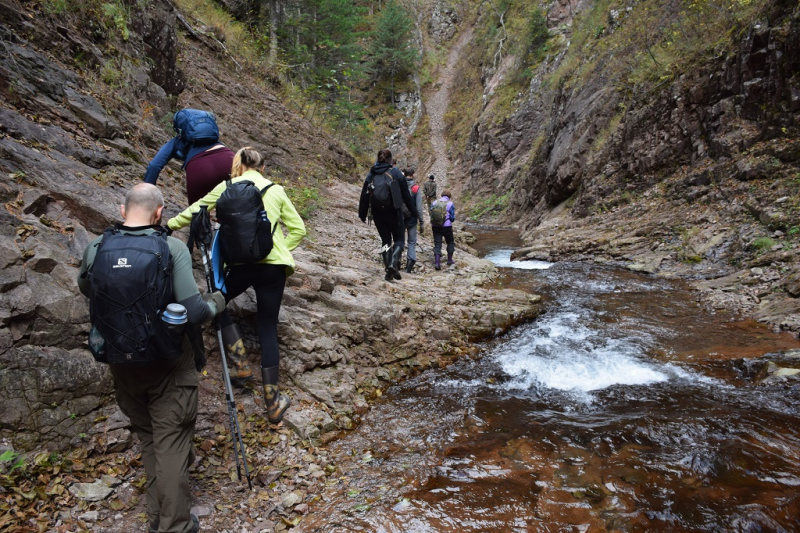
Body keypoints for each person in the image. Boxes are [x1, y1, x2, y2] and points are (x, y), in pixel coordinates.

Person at [78, 183, 225, 533]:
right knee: (171, 442)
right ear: (160, 213)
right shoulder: (171, 248)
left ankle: (157, 516)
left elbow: (87, 289)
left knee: (148, 437)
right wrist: (218, 301)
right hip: (168, 363)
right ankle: (174, 526)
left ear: (122, 209)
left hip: (120, 361)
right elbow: (193, 311)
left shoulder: (96, 248)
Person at [168, 147, 307, 424]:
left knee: (216, 303)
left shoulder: (226, 186)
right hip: (273, 268)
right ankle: (273, 403)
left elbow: (196, 210)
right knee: (267, 327)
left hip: (239, 267)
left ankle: (241, 365)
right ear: (262, 167)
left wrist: (169, 224)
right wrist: (280, 251)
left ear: (238, 165)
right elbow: (299, 229)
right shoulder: (275, 190)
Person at [143, 115, 235, 204]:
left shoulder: (176, 142)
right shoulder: (216, 142)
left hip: (200, 165)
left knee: (197, 213)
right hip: (228, 159)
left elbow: (154, 166)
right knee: (237, 208)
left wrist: (147, 196)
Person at [358, 149, 418, 281]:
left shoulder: (372, 173)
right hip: (394, 213)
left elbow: (364, 195)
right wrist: (415, 213)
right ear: (390, 160)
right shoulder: (395, 172)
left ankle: (388, 271)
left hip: (378, 213)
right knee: (399, 241)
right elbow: (406, 196)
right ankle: (393, 263)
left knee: (385, 242)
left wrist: (362, 214)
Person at [401, 167, 424, 273]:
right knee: (411, 242)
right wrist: (421, 222)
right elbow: (419, 208)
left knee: (399, 240)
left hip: (400, 217)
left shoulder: (399, 185)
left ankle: (395, 262)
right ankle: (408, 267)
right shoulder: (416, 188)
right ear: (413, 174)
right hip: (412, 219)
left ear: (404, 174)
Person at [430, 189, 456, 270]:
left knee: (438, 244)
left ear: (441, 196)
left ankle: (437, 263)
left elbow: (431, 213)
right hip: (447, 227)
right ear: (449, 197)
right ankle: (449, 260)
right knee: (450, 242)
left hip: (435, 226)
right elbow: (452, 218)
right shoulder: (450, 204)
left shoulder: (434, 202)